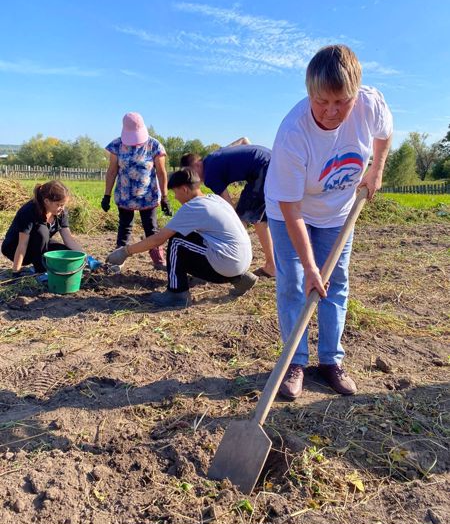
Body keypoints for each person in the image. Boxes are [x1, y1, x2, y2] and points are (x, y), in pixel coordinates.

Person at [264, 44, 393, 399]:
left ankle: (331, 361)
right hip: (291, 211)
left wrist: (376, 171)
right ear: (310, 93)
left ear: (355, 94)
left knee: (335, 283)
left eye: (342, 102)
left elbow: (384, 134)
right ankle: (295, 362)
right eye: (322, 101)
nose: (332, 112)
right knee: (294, 284)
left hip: (338, 211)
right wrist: (309, 265)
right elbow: (290, 208)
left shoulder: (369, 104)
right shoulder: (294, 133)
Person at [106, 168, 258, 308]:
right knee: (190, 237)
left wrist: (125, 251)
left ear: (184, 189)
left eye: (175, 193)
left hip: (227, 264)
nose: (176, 197)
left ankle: (177, 294)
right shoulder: (216, 200)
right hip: (243, 261)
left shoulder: (193, 207)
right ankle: (240, 279)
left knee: (177, 241)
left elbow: (158, 239)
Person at [180, 142, 276, 278]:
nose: (193, 179)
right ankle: (271, 265)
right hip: (270, 160)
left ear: (196, 165)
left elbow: (228, 207)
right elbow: (243, 140)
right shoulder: (213, 156)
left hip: (263, 167)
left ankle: (238, 263)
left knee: (243, 218)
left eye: (191, 173)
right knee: (260, 219)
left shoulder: (210, 173)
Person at [101, 112, 172, 269]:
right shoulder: (116, 146)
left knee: (151, 228)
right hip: (124, 195)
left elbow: (161, 172)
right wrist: (106, 195)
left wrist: (165, 197)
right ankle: (118, 260)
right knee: (125, 227)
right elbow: (112, 171)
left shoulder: (154, 146)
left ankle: (158, 260)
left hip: (149, 195)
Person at [1, 181, 84, 274]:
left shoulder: (60, 212)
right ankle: (40, 271)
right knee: (42, 230)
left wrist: (84, 257)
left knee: (66, 253)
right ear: (47, 201)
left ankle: (46, 267)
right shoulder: (29, 211)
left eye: (63, 204)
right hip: (14, 248)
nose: (62, 208)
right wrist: (16, 271)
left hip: (38, 245)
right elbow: (22, 244)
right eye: (59, 205)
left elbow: (68, 239)